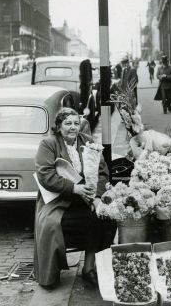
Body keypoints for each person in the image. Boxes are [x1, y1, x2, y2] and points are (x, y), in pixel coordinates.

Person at [34, 108, 116, 289]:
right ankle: (51, 274)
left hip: (87, 199)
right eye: (68, 123)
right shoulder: (48, 144)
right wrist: (74, 188)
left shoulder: (87, 141)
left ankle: (88, 268)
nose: (73, 127)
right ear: (59, 126)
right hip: (58, 202)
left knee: (106, 217)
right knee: (52, 226)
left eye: (76, 123)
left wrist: (96, 197)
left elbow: (102, 172)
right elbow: (45, 175)